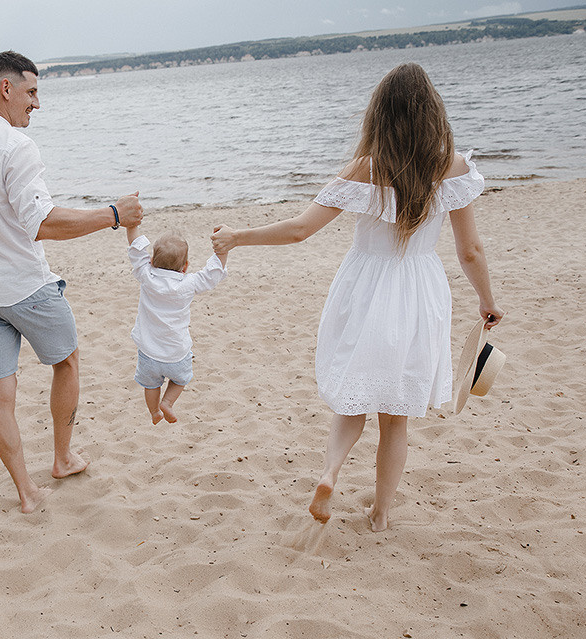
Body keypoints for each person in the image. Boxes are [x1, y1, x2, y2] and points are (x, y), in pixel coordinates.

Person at [211, 63, 503, 532]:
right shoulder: (453, 167)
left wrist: (237, 236)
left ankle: (330, 473)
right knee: (396, 417)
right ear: (432, 112)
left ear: (379, 115)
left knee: (352, 398)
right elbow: (469, 250)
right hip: (418, 292)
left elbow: (299, 230)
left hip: (365, 288)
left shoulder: (365, 169)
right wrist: (487, 299)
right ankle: (382, 512)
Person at [0, 50, 144, 513]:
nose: (37, 104)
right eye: (31, 92)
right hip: (26, 289)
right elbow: (42, 222)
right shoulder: (15, 146)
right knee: (66, 361)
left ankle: (26, 493)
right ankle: (63, 457)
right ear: (6, 89)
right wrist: (113, 215)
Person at [123, 222, 226, 424]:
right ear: (185, 266)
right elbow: (212, 275)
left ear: (151, 261)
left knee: (151, 385)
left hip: (148, 352)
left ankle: (154, 412)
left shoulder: (146, 275)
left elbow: (135, 250)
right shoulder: (188, 283)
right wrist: (223, 248)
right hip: (176, 353)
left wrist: (131, 224)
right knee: (180, 380)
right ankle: (168, 402)